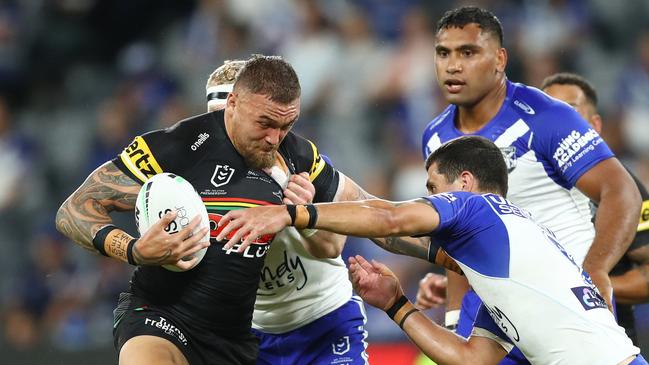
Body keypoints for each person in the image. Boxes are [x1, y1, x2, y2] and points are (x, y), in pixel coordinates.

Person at [214, 135, 646, 365]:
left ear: (463, 184)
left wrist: (295, 215)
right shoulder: (501, 275)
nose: (429, 201)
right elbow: (472, 360)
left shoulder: (479, 208)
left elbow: (390, 221)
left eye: (432, 191)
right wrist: (397, 304)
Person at [54, 55, 370, 365]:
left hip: (261, 332)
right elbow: (75, 209)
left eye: (280, 125)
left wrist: (304, 215)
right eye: (215, 114)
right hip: (163, 313)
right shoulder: (176, 149)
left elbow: (350, 233)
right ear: (231, 106)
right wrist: (132, 249)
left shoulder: (296, 158)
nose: (271, 136)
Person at [415, 7, 640, 364]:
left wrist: (596, 269)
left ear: (500, 59)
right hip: (496, 319)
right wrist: (457, 319)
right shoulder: (435, 136)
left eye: (468, 52)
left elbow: (621, 191)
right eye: (444, 53)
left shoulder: (545, 116)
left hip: (565, 304)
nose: (452, 65)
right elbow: (456, 231)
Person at [205, 60, 369, 365]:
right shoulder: (198, 178)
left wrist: (304, 215)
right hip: (253, 336)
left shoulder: (299, 163)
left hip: (325, 319)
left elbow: (332, 247)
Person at [540, 72, 649, 345]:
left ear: (594, 126)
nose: (558, 123)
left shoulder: (622, 188)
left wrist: (585, 286)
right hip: (534, 343)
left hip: (605, 343)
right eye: (548, 112)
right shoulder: (519, 183)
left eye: (569, 112)